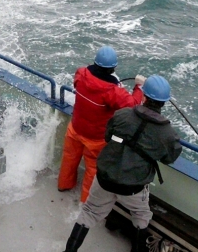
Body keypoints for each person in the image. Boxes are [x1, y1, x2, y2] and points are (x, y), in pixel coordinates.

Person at [63, 75, 182, 252]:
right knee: (141, 216)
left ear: (144, 96)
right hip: (133, 187)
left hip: (105, 178)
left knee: (89, 212)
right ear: (164, 102)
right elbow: (169, 158)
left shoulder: (122, 115)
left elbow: (107, 136)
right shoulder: (168, 134)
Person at [58, 46, 145, 203]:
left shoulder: (81, 73)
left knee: (69, 158)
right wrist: (138, 87)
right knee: (92, 169)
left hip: (75, 128)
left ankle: (64, 185)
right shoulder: (112, 91)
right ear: (113, 69)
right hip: (96, 138)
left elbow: (82, 80)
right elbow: (133, 104)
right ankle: (86, 201)